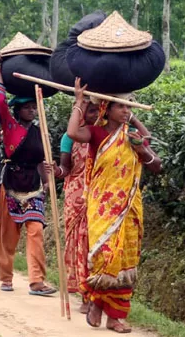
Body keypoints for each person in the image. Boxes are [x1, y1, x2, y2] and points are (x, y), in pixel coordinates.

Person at [66, 78, 161, 334]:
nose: (127, 110)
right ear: (107, 108)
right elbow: (73, 133)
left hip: (129, 208)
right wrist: (78, 102)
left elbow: (156, 164)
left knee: (125, 261)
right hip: (102, 207)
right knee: (105, 257)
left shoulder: (133, 137)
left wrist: (139, 141)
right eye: (122, 107)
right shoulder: (97, 133)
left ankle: (115, 316)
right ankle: (97, 302)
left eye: (129, 106)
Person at [0, 54, 57, 296]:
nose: (31, 111)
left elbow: (43, 160)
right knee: (7, 236)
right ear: (18, 110)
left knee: (36, 231)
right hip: (10, 183)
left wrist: (48, 181)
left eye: (33, 107)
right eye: (27, 107)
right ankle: (6, 277)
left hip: (33, 185)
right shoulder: (9, 125)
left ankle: (37, 281)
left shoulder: (40, 132)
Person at [59, 100, 99, 313]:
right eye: (89, 110)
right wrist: (55, 171)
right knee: (79, 243)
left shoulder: (103, 135)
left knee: (95, 243)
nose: (93, 115)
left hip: (98, 193)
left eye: (96, 110)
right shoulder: (69, 137)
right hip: (76, 195)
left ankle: (97, 294)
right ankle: (85, 295)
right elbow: (65, 168)